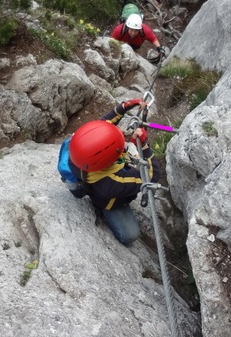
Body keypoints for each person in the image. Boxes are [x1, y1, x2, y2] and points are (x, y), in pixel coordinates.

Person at [68, 99, 161, 246]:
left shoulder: (80, 153)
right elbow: (151, 176)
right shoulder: (112, 183)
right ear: (109, 158)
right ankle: (103, 213)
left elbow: (104, 124)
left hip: (93, 182)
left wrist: (126, 106)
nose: (122, 135)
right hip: (110, 202)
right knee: (131, 235)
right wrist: (144, 146)